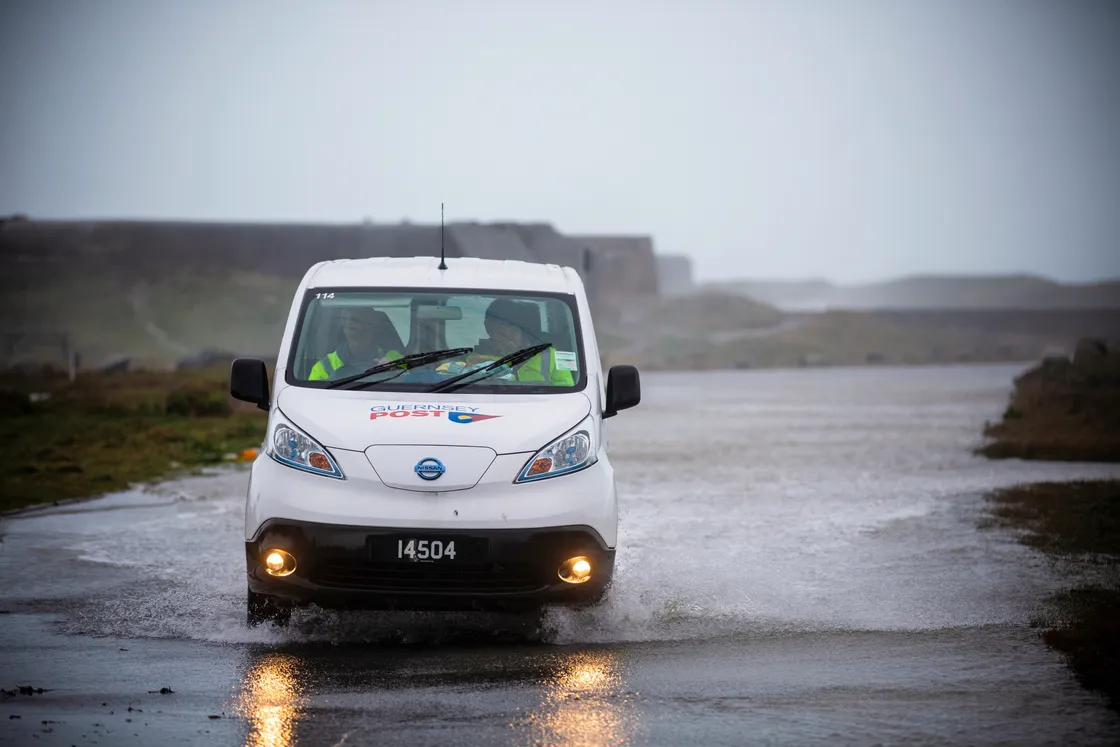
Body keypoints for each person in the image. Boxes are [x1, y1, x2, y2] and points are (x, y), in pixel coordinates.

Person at [452, 298, 574, 386]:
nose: (506, 336)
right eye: (499, 330)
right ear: (488, 329)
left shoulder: (552, 356)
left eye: (512, 329)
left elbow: (569, 395)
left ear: (523, 329)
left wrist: (516, 358)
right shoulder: (476, 358)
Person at [308, 306, 403, 381]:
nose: (349, 322)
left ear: (371, 327)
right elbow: (312, 397)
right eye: (346, 319)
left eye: (354, 319)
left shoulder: (395, 358)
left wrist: (394, 371)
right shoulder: (324, 366)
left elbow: (413, 380)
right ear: (344, 328)